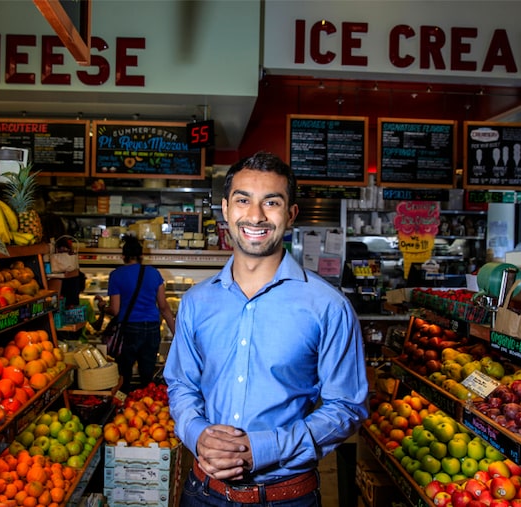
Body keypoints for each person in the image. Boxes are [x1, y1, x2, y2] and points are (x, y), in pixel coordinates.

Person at [163, 151, 369, 506]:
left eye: (270, 202)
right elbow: (181, 384)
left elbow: (346, 407)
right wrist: (197, 435)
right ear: (226, 209)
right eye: (243, 200)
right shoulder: (196, 302)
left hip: (286, 497)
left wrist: (261, 448)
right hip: (202, 493)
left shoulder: (328, 306)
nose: (255, 216)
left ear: (290, 214)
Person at [96, 235, 176, 393]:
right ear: (141, 256)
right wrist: (177, 333)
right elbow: (164, 307)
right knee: (147, 375)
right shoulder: (154, 273)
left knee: (124, 375)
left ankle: (123, 405)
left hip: (129, 330)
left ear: (123, 256)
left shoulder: (116, 275)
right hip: (152, 329)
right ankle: (146, 404)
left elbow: (115, 310)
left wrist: (102, 307)